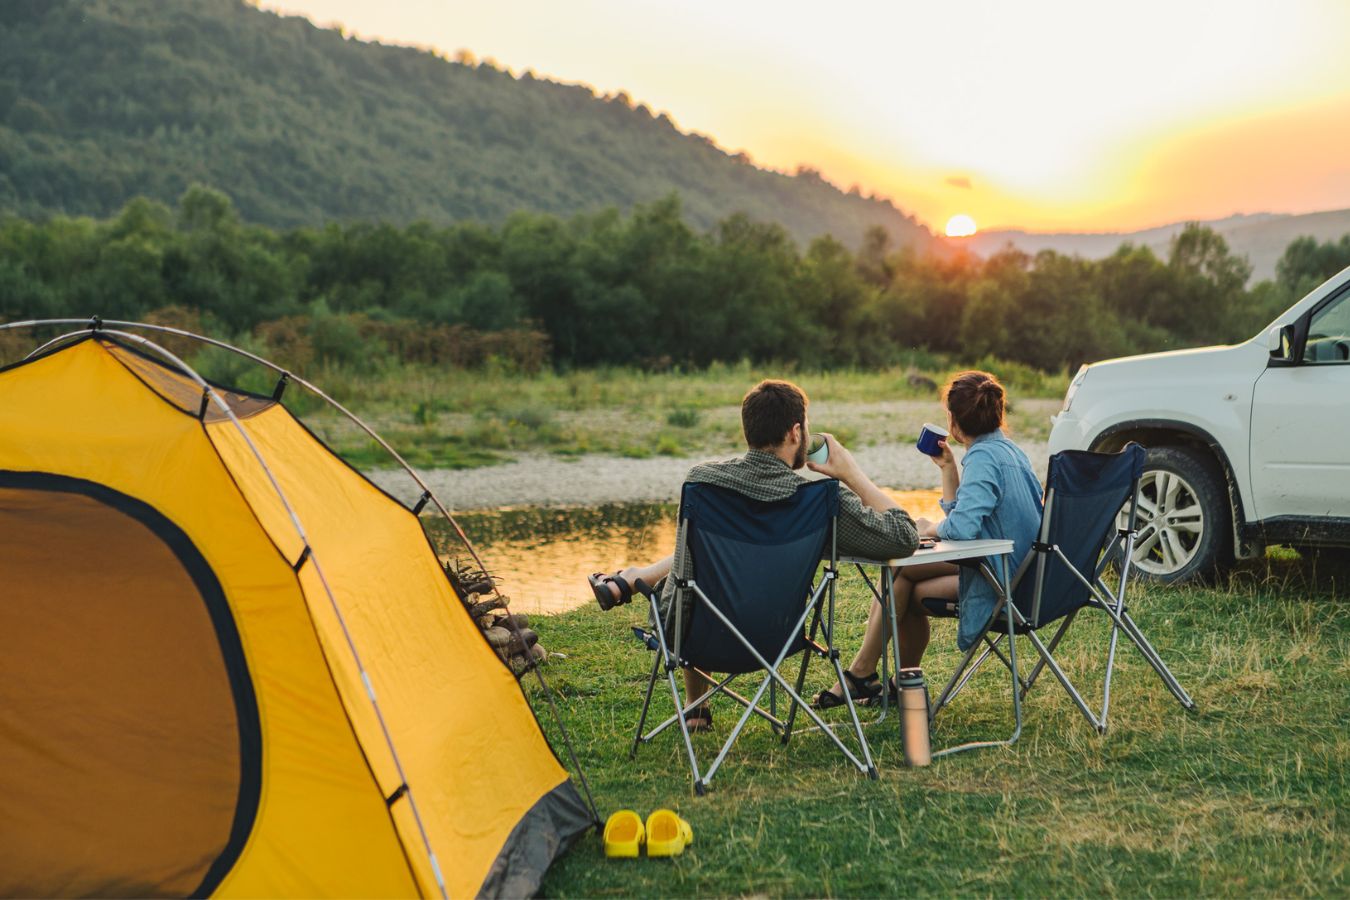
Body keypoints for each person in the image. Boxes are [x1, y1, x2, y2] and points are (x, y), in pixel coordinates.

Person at [588, 379, 918, 731]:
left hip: (696, 636)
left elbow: (686, 570)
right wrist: (851, 473)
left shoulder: (703, 483)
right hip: (778, 636)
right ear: (795, 433)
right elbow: (904, 537)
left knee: (693, 569)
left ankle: (695, 705)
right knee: (693, 562)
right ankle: (632, 581)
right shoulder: (820, 500)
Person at [816, 370, 1043, 706]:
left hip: (1001, 581)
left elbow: (961, 530)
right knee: (903, 577)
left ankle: (867, 676)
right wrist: (949, 471)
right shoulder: (1009, 451)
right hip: (1021, 571)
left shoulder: (983, 458)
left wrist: (927, 528)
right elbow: (968, 518)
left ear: (952, 420)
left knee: (905, 583)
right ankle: (885, 680)